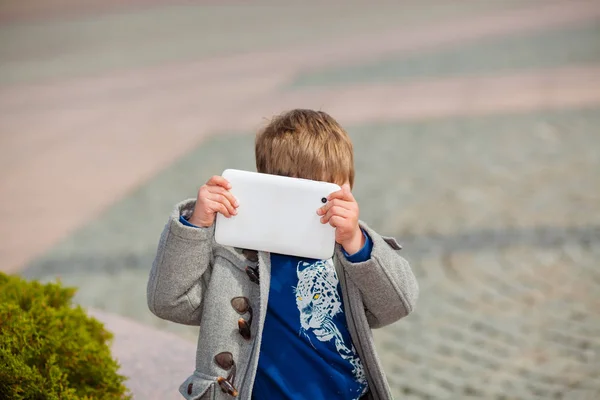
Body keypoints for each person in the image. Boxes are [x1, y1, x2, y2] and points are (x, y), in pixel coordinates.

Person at [147, 109, 419, 400]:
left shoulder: (350, 249)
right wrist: (195, 225)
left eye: (329, 194)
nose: (320, 209)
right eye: (302, 195)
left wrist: (357, 243)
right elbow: (168, 301)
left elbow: (397, 304)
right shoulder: (234, 250)